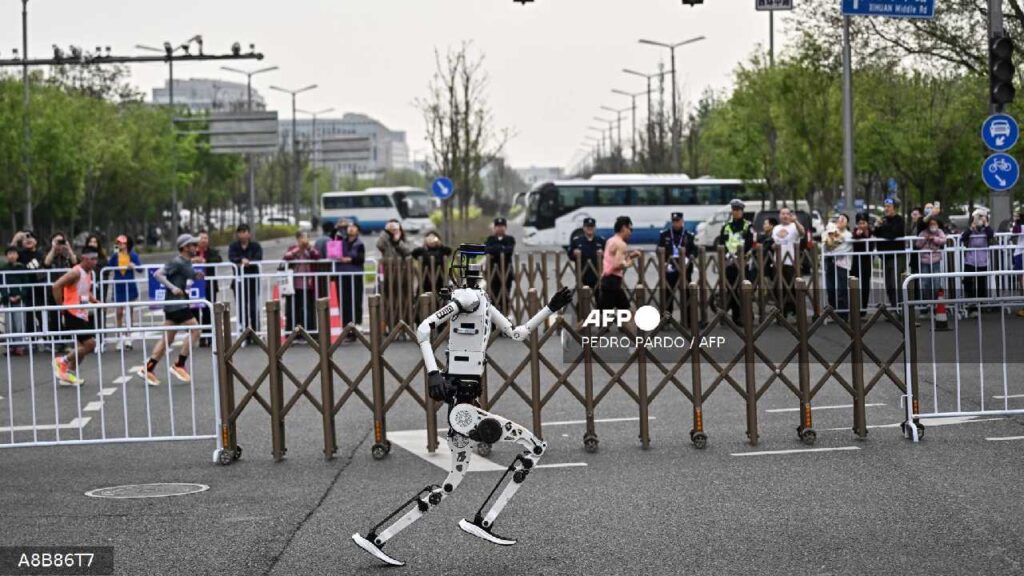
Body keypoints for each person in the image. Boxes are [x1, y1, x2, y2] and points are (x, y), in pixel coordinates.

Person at [351, 245, 574, 567]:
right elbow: (424, 328)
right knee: (535, 447)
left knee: (451, 482)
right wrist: (431, 372)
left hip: (465, 403)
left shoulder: (480, 300)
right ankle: (484, 521)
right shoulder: (467, 299)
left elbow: (516, 333)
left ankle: (378, 538)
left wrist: (548, 309)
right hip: (463, 404)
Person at [136, 234, 205, 386]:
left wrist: (196, 275)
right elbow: (158, 274)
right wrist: (173, 288)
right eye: (193, 245)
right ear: (185, 247)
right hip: (177, 305)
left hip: (173, 305)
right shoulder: (177, 261)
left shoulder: (185, 262)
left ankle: (148, 368)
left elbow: (187, 273)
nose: (196, 247)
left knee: (167, 339)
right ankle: (179, 364)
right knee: (196, 330)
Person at [51, 246, 101, 386]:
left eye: (96, 258)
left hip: (81, 312)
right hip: (72, 312)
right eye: (93, 259)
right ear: (84, 259)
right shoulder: (75, 272)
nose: (95, 262)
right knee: (90, 344)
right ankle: (62, 361)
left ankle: (68, 375)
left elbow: (84, 290)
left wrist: (95, 301)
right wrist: (61, 306)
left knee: (81, 349)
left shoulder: (88, 272)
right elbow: (56, 286)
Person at [717, 199, 754, 324]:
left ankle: (748, 316)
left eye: (738, 210)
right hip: (729, 262)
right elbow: (722, 242)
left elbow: (750, 243)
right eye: (734, 210)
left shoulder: (748, 225)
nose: (736, 212)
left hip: (743, 261)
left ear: (742, 211)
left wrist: (740, 255)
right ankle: (735, 316)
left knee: (744, 289)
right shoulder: (726, 226)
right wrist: (729, 255)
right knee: (730, 289)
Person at [597, 216, 641, 312]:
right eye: (630, 229)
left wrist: (631, 256)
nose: (631, 232)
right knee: (620, 312)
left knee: (610, 312)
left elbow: (613, 260)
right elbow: (618, 264)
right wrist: (630, 263)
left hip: (606, 280)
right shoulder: (621, 244)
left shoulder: (610, 240)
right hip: (613, 281)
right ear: (624, 228)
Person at [657, 212, 696, 316]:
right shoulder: (664, 234)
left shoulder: (689, 235)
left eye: (678, 221)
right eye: (674, 221)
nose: (676, 223)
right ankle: (666, 319)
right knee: (667, 294)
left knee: (686, 293)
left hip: (684, 268)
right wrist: (665, 263)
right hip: (670, 268)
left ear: (682, 221)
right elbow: (659, 250)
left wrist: (689, 258)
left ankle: (688, 319)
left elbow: (693, 250)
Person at [282, 230, 322, 332]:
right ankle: (292, 332)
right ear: (298, 239)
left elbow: (317, 256)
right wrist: (298, 249)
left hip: (308, 285)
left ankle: (309, 332)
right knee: (292, 309)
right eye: (302, 238)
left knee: (308, 309)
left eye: (306, 237)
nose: (304, 240)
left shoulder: (311, 249)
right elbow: (286, 257)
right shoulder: (293, 248)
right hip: (293, 285)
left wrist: (308, 248)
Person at [228, 224, 263, 337]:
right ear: (237, 234)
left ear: (249, 234)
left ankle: (255, 332)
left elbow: (258, 257)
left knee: (253, 307)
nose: (242, 234)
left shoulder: (255, 246)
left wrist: (249, 261)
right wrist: (241, 260)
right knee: (241, 308)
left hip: (253, 282)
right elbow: (232, 258)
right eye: (240, 232)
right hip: (238, 282)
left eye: (245, 232)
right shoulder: (233, 246)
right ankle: (244, 333)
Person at [108, 235, 142, 351]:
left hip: (130, 286)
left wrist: (134, 265)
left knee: (129, 312)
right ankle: (119, 338)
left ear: (127, 244)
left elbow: (141, 269)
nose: (120, 245)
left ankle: (128, 337)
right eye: (118, 242)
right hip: (118, 287)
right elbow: (108, 267)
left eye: (122, 243)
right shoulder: (115, 256)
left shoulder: (133, 255)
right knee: (119, 312)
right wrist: (115, 256)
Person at [771, 207, 806, 318]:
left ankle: (796, 311)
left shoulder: (794, 226)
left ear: (790, 215)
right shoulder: (776, 228)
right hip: (778, 262)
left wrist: (795, 221)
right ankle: (782, 312)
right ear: (779, 215)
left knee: (792, 287)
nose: (785, 216)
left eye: (787, 214)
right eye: (783, 214)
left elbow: (802, 232)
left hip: (791, 262)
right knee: (779, 288)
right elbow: (775, 242)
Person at [873, 198, 906, 308]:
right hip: (885, 257)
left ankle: (900, 308)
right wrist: (877, 226)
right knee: (888, 285)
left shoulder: (899, 220)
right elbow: (877, 234)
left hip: (897, 256)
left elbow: (893, 234)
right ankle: (894, 306)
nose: (886, 209)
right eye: (885, 206)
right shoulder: (883, 220)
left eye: (888, 206)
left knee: (895, 283)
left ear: (895, 208)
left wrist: (883, 228)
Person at [961, 210, 994, 317]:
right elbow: (963, 238)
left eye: (981, 217)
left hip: (982, 260)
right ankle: (971, 305)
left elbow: (991, 235)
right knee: (968, 281)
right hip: (970, 260)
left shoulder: (986, 230)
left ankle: (980, 305)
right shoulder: (970, 230)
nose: (979, 220)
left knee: (981, 283)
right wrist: (972, 227)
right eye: (978, 217)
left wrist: (986, 224)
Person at [15, 231, 47, 338]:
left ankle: (46, 338)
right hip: (27, 289)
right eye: (25, 238)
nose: (28, 240)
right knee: (28, 316)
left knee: (42, 314)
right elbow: (10, 254)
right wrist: (16, 239)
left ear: (36, 241)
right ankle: (31, 340)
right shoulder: (20, 254)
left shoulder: (41, 254)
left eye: (31, 237)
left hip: (40, 289)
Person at [194, 231, 223, 346]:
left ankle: (209, 335)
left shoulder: (212, 252)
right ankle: (198, 335)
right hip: (195, 286)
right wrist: (193, 261)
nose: (204, 240)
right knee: (195, 311)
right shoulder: (192, 252)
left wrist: (205, 262)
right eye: (201, 238)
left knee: (208, 311)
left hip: (209, 285)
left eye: (206, 238)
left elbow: (219, 259)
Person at [338, 222, 366, 342]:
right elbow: (334, 235)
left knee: (355, 301)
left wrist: (349, 259)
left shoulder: (360, 244)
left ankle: (356, 326)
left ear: (358, 230)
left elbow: (361, 258)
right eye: (349, 227)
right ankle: (346, 328)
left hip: (355, 275)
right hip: (343, 275)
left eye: (353, 227)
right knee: (344, 302)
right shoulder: (341, 241)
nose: (351, 229)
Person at [0, 246, 28, 355]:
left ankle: (20, 346)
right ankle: (10, 346)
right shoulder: (3, 269)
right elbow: (2, 284)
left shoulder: (22, 268)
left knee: (20, 323)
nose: (12, 255)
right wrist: (7, 296)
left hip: (20, 300)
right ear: (6, 256)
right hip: (7, 300)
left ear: (17, 255)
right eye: (9, 253)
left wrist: (21, 295)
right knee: (9, 324)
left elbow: (26, 283)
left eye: (14, 253)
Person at [823, 216, 853, 317]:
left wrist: (833, 252)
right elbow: (825, 247)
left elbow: (845, 249)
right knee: (830, 289)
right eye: (838, 219)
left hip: (842, 264)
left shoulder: (848, 235)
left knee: (841, 290)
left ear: (847, 223)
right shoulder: (830, 232)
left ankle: (843, 315)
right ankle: (833, 312)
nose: (840, 221)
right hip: (830, 263)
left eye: (843, 219)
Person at [567, 217, 606, 292]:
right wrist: (574, 254)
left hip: (598, 275)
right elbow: (570, 255)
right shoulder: (577, 241)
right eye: (587, 226)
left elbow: (608, 256)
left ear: (595, 228)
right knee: (583, 299)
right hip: (582, 275)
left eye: (592, 226)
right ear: (583, 228)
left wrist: (603, 254)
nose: (590, 228)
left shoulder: (601, 240)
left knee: (600, 299)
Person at [485, 218, 516, 308]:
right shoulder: (490, 239)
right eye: (498, 226)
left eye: (502, 226)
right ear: (494, 228)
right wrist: (502, 248)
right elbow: (487, 250)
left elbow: (509, 250)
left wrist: (495, 250)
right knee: (493, 296)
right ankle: (494, 320)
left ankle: (505, 317)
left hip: (507, 273)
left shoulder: (510, 239)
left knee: (505, 296)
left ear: (505, 228)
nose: (500, 228)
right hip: (493, 275)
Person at [915, 216, 946, 305]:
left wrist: (934, 239)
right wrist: (925, 239)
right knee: (925, 283)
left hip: (936, 260)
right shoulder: (923, 233)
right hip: (924, 260)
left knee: (936, 282)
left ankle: (937, 303)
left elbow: (943, 240)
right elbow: (917, 244)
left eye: (934, 224)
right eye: (931, 224)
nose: (933, 226)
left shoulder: (940, 232)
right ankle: (927, 303)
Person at [851, 213, 874, 312]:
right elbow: (854, 244)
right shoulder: (855, 232)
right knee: (855, 284)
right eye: (859, 223)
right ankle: (855, 307)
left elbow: (872, 247)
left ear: (867, 223)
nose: (861, 225)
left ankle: (863, 307)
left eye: (864, 223)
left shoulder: (871, 232)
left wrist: (865, 236)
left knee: (865, 284)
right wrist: (857, 236)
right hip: (856, 262)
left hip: (866, 262)